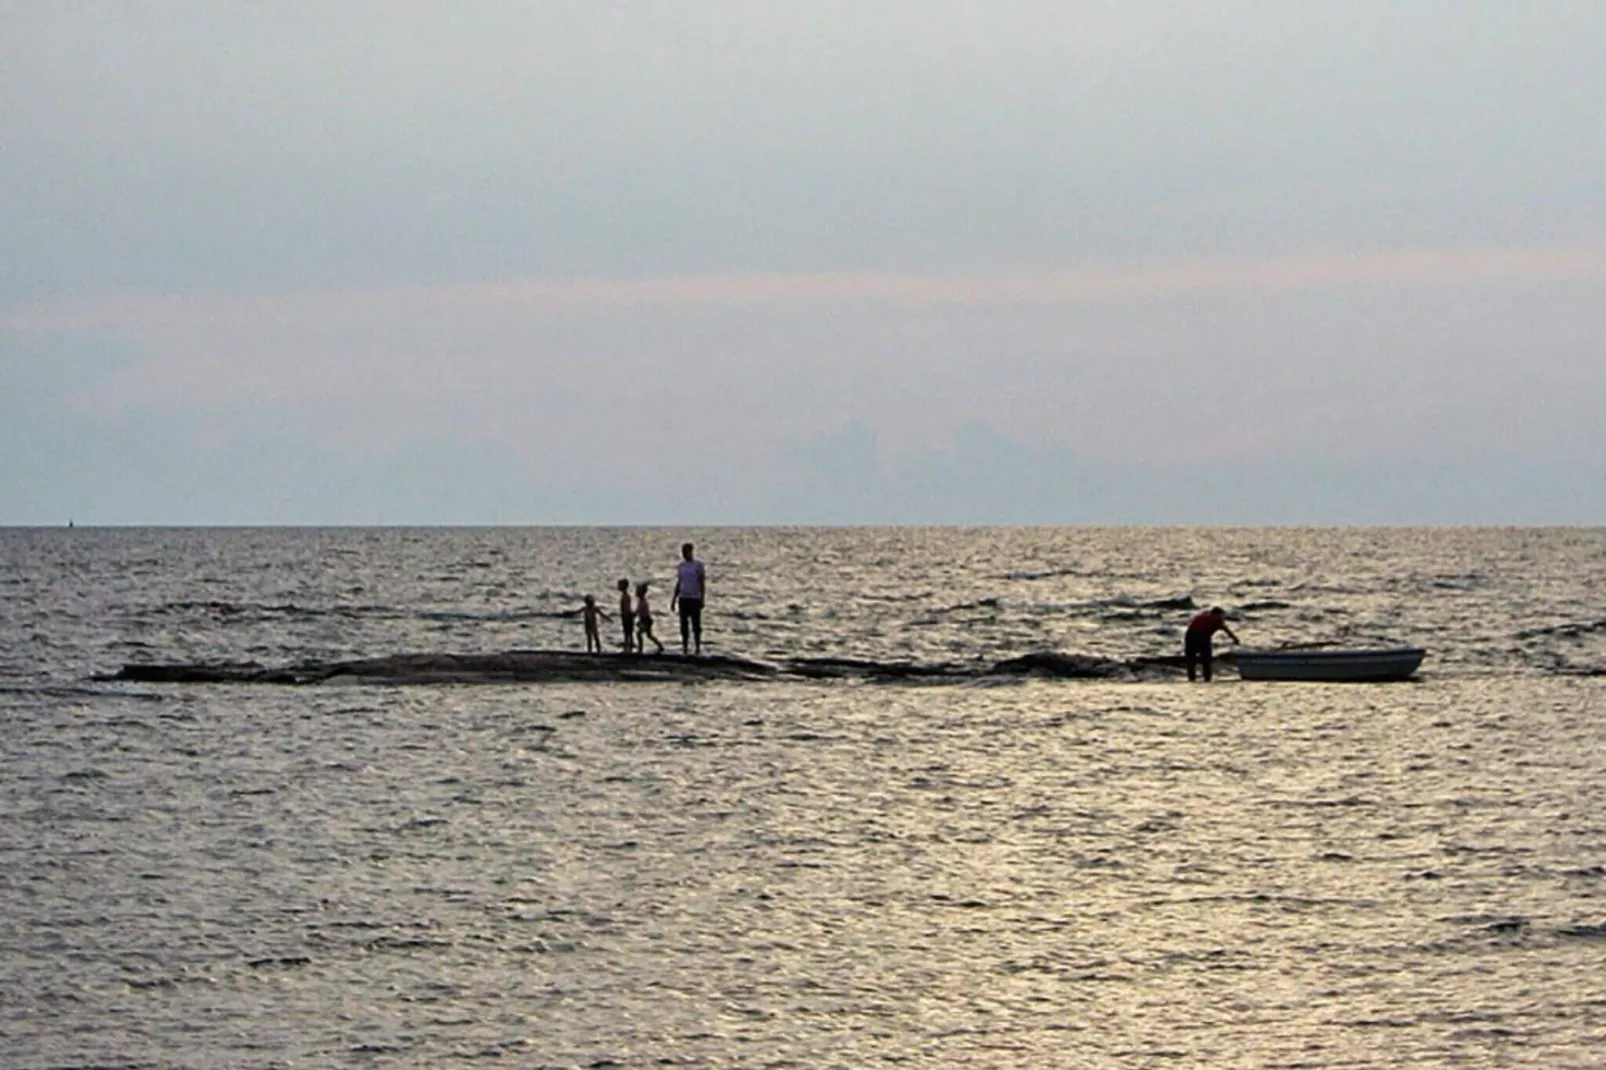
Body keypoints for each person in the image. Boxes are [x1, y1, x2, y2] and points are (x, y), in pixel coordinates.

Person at [1185, 606, 1239, 682]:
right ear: (1217, 614)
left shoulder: (1201, 616)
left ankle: (1191, 678)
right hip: (1203, 635)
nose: (1222, 617)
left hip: (1190, 635)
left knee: (1191, 659)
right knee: (1206, 659)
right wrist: (1235, 639)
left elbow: (1191, 625)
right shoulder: (1217, 619)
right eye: (1221, 615)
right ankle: (1207, 678)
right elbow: (1226, 629)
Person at [670, 541, 707, 655]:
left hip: (695, 598)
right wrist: (674, 599)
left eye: (686, 552)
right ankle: (685, 648)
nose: (684, 554)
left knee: (696, 625)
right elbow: (679, 582)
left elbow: (701, 582)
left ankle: (697, 648)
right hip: (683, 598)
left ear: (691, 552)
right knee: (684, 625)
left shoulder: (698, 565)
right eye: (683, 552)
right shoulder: (681, 566)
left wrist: (702, 598)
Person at [635, 582, 665, 654]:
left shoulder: (643, 602)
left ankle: (640, 649)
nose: (636, 592)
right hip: (645, 620)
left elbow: (639, 611)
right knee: (649, 635)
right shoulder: (641, 601)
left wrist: (633, 614)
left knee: (639, 634)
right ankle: (660, 646)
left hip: (645, 620)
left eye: (638, 591)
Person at [616, 578, 635, 653]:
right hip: (625, 615)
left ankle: (629, 645)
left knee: (628, 632)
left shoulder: (626, 596)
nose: (618, 586)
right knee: (627, 631)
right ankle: (628, 644)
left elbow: (626, 608)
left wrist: (626, 616)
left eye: (619, 585)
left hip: (627, 616)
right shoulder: (624, 596)